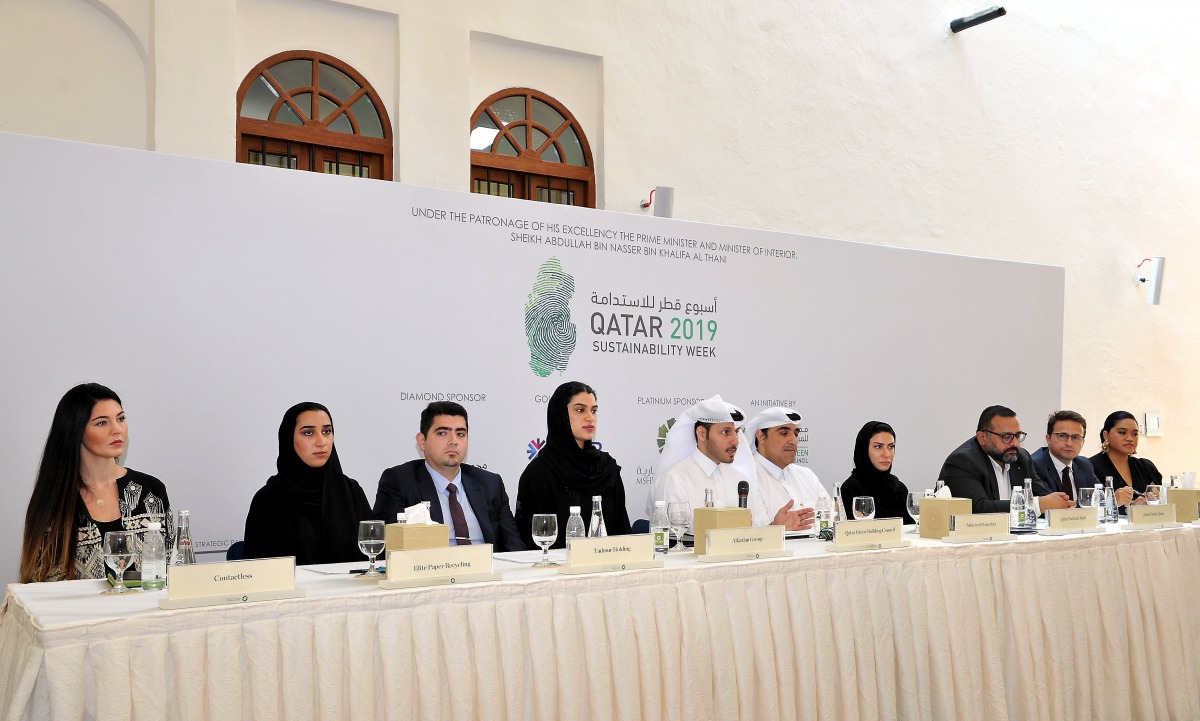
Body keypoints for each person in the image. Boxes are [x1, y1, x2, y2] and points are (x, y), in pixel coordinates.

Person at [19, 383, 173, 583]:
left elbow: (173, 571)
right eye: (102, 423)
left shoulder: (152, 491)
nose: (117, 430)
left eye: (121, 419)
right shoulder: (53, 501)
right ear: (76, 431)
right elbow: (40, 584)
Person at [373, 402, 522, 551]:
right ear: (422, 441)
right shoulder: (399, 482)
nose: (453, 441)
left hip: (488, 570)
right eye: (442, 433)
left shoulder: (490, 483)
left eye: (460, 434)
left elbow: (514, 546)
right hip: (432, 570)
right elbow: (387, 546)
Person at [243, 402, 373, 564]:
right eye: (308, 433)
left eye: (327, 431)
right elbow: (258, 570)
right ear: (288, 438)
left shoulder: (351, 492)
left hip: (351, 588)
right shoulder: (268, 500)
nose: (321, 442)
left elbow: (374, 558)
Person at [647, 395, 803, 528]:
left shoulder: (741, 479)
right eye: (725, 432)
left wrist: (775, 527)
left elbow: (757, 530)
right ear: (702, 433)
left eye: (735, 432)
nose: (735, 440)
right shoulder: (674, 479)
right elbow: (673, 539)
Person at [515, 381, 631, 549]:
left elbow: (623, 530)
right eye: (580, 410)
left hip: (610, 566)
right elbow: (531, 541)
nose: (590, 417)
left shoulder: (607, 468)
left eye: (594, 410)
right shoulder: (538, 473)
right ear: (560, 415)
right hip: (558, 570)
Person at [938, 405, 1071, 515]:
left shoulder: (1021, 458)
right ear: (982, 438)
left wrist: (1059, 502)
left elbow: (1043, 496)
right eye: (1006, 436)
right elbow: (977, 508)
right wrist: (1037, 504)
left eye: (1017, 436)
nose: (1015, 443)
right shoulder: (963, 461)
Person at [743, 407, 824, 530]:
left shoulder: (807, 476)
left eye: (796, 434)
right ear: (761, 436)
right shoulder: (745, 479)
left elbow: (832, 519)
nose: (793, 440)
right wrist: (775, 528)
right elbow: (746, 536)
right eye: (784, 433)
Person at [840, 421, 915, 523]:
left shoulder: (899, 488)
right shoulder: (851, 489)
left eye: (891, 446)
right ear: (864, 449)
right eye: (878, 447)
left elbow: (911, 530)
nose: (886, 454)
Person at [1089, 411, 1160, 510]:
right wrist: (1130, 507)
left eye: (1135, 434)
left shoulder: (1146, 467)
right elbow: (1089, 506)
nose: (1130, 438)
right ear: (1106, 435)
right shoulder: (1089, 466)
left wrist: (1153, 500)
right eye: (1122, 432)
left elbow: (1160, 501)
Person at [1030, 410, 1100, 502]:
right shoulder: (1035, 465)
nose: (1069, 443)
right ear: (1048, 439)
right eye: (1062, 436)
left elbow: (1100, 498)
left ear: (1083, 442)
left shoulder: (1084, 464)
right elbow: (1055, 505)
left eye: (1076, 437)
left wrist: (1112, 497)